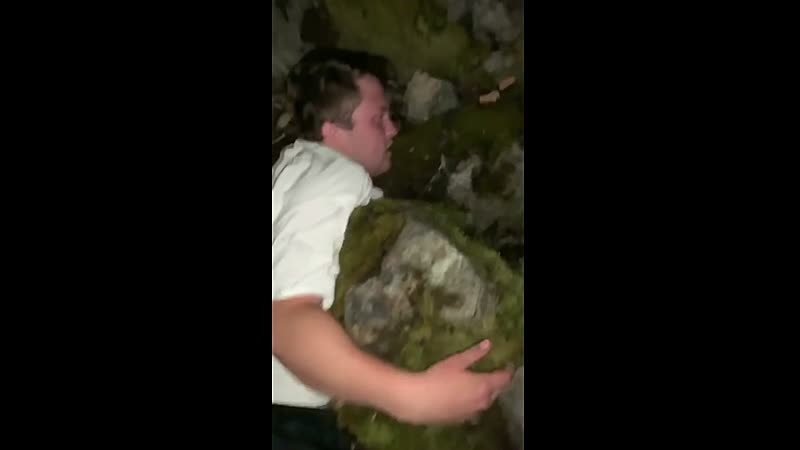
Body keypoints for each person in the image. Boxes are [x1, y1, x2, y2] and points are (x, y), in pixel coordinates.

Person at [272, 48, 513, 450]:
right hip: (289, 421)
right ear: (332, 130)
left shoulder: (295, 169)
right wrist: (413, 398)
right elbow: (284, 319)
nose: (393, 129)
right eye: (378, 118)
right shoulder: (335, 175)